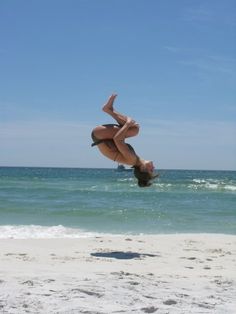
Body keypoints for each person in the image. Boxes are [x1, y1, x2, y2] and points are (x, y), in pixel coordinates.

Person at [91, 94, 158, 187]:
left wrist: (127, 124)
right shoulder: (134, 160)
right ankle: (108, 109)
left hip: (100, 135)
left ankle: (108, 109)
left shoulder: (132, 159)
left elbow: (118, 139)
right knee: (134, 129)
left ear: (143, 168)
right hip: (102, 136)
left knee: (134, 129)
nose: (153, 167)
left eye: (151, 170)